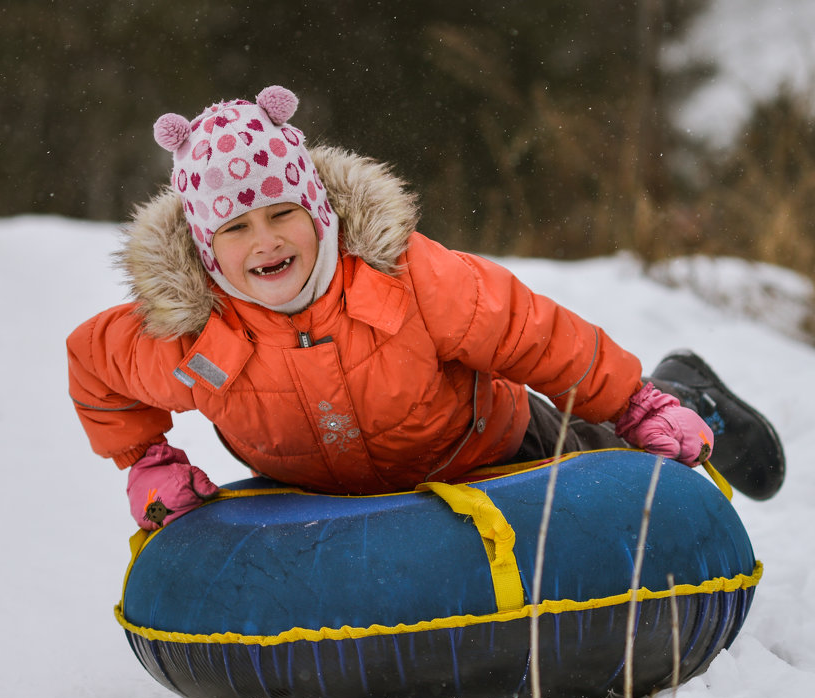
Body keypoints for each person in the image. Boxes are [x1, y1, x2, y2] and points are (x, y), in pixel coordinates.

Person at [67, 85, 785, 530]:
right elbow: (95, 368)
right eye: (235, 227)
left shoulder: (408, 280)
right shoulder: (190, 335)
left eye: (281, 213)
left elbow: (536, 334)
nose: (265, 242)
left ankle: (682, 393)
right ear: (206, 247)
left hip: (495, 446)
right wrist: (146, 459)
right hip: (336, 499)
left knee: (614, 460)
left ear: (316, 209)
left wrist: (631, 402)